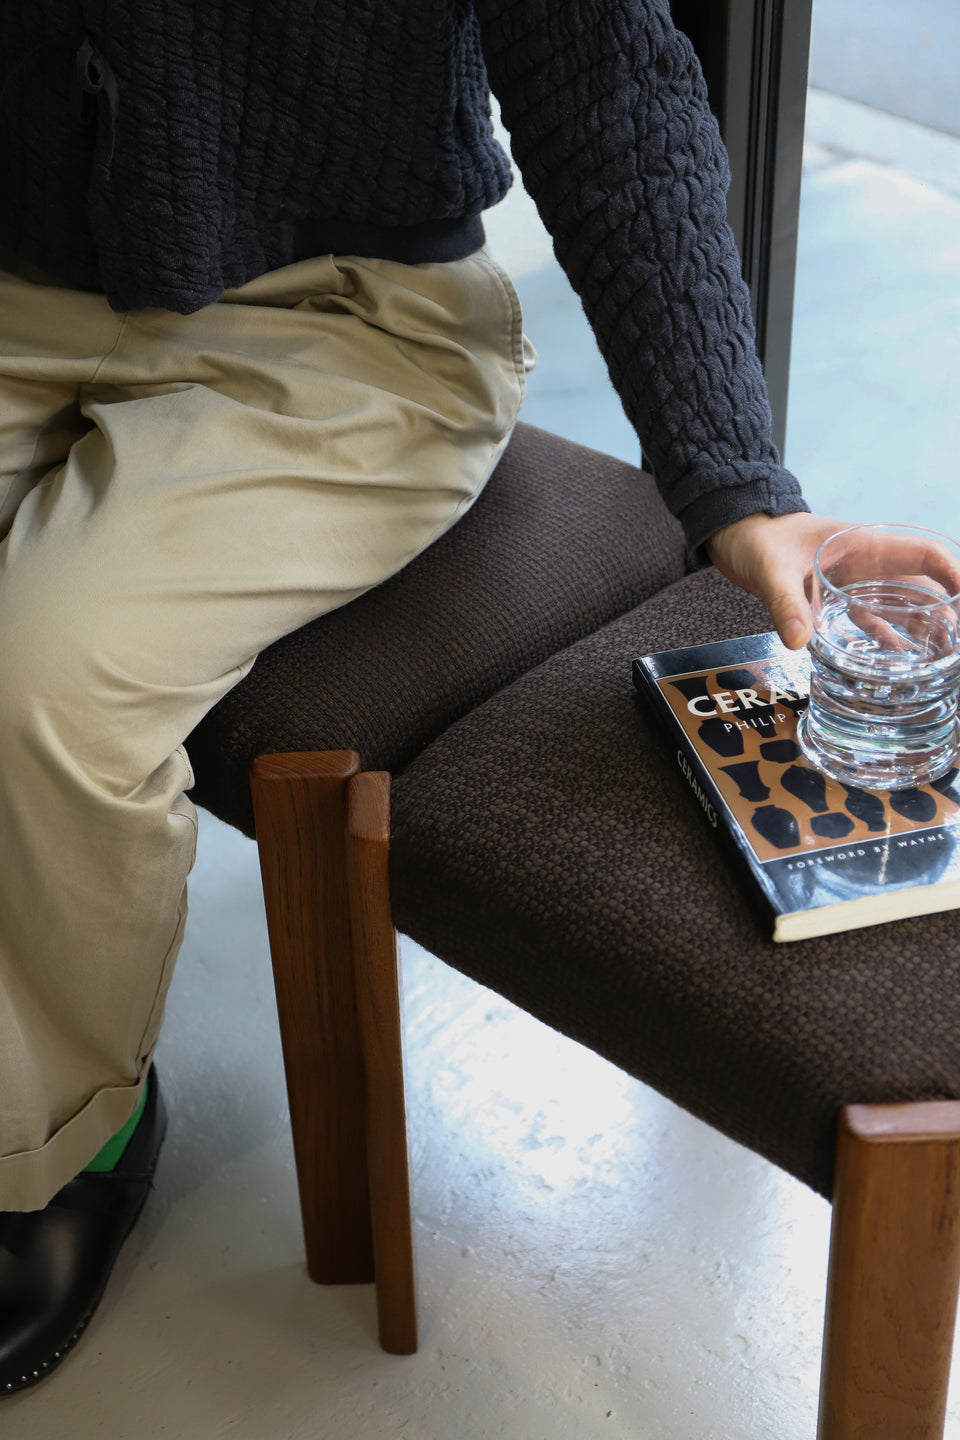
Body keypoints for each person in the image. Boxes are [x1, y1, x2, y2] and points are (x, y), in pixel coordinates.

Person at [0, 0, 840, 1394]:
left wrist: (735, 475)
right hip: (24, 273)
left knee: (45, 680)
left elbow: (609, 80)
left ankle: (63, 1135)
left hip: (348, 323)